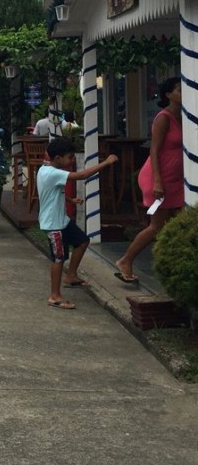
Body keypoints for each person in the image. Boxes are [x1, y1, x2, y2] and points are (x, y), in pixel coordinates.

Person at [115, 77, 183, 284]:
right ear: (168, 95)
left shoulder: (185, 116)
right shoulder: (163, 118)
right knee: (156, 224)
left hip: (177, 180)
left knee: (177, 222)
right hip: (157, 178)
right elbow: (153, 150)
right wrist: (157, 182)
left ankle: (172, 266)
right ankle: (125, 260)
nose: (184, 93)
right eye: (179, 90)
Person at [38, 136, 118, 309]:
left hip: (62, 220)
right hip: (54, 225)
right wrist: (107, 162)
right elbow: (82, 175)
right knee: (58, 258)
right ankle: (55, 296)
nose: (72, 160)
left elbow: (52, 192)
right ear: (58, 158)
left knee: (82, 241)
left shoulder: (45, 169)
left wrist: (70, 200)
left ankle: (71, 275)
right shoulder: (54, 173)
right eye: (70, 157)